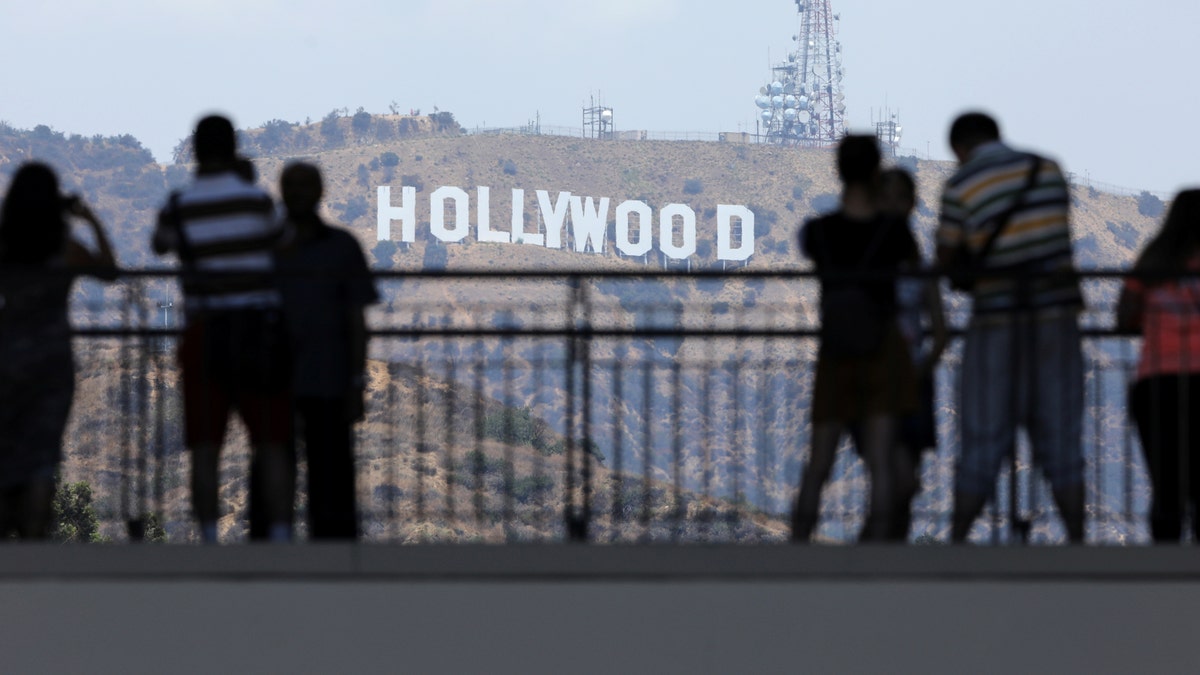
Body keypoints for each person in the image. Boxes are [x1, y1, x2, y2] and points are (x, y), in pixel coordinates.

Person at [935, 112, 1085, 543]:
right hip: (1056, 317)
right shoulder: (1048, 170)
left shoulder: (962, 185)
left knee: (982, 436)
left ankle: (957, 541)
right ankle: (1078, 540)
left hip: (996, 320)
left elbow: (948, 258)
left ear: (960, 148)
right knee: (1061, 439)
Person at [152, 115, 293, 543]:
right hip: (258, 331)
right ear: (234, 150)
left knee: (205, 446)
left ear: (194, 150)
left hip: (204, 333)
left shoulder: (179, 205)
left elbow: (160, 244)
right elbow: (283, 246)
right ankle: (283, 537)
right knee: (270, 441)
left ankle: (210, 538)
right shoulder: (258, 202)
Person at [792, 135, 920, 542]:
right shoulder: (895, 232)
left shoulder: (818, 232)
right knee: (880, 460)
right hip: (882, 349)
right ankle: (878, 556)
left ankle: (796, 551)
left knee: (819, 463)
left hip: (835, 351)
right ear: (875, 171)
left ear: (838, 170)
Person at [0, 162, 116, 539]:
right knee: (42, 454)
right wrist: (89, 218)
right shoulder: (65, 248)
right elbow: (109, 272)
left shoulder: (5, 246)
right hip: (52, 358)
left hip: (7, 355)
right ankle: (36, 539)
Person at [275, 162, 378, 539]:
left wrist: (355, 381)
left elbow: (357, 322)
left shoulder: (342, 247)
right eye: (293, 186)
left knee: (331, 474)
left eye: (306, 186)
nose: (300, 194)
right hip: (277, 380)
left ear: (320, 193)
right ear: (282, 192)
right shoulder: (270, 249)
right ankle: (274, 547)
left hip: (328, 380)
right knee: (273, 470)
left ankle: (332, 553)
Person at [1117, 190, 1200, 542]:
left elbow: (1123, 317)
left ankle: (1164, 569)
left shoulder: (1154, 261)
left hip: (1157, 383)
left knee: (1166, 486)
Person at [878, 168, 947, 541]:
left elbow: (940, 331)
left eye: (897, 198)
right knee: (892, 473)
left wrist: (922, 370)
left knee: (903, 477)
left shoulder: (919, 268)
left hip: (912, 379)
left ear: (910, 204)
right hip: (880, 379)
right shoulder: (870, 266)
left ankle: (889, 551)